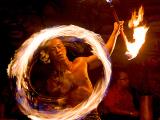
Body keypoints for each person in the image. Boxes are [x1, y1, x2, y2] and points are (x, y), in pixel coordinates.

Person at [37, 21, 123, 119]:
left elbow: (105, 53)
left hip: (92, 115)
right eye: (53, 49)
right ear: (49, 54)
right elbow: (55, 105)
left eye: (59, 46)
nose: (58, 51)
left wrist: (115, 32)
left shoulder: (81, 63)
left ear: (64, 48)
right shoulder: (53, 80)